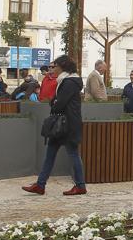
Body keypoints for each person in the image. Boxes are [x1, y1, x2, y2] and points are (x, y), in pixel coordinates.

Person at [22, 55, 86, 196]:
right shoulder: (65, 80)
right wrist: (54, 101)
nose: (52, 69)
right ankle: (40, 185)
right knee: (50, 155)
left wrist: (53, 102)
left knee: (73, 154)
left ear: (62, 66)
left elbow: (59, 104)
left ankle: (80, 186)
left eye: (54, 66)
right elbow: (57, 101)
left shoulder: (69, 82)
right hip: (61, 124)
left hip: (68, 124)